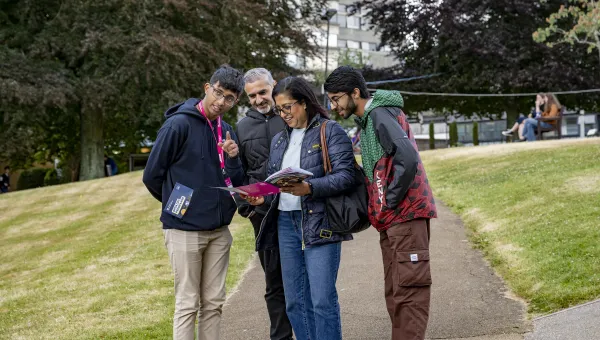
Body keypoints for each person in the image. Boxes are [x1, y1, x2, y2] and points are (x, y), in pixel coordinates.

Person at [324, 66, 437, 340]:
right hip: (393, 221)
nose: (333, 105)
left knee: (408, 293)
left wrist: (391, 201)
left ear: (355, 93)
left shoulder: (378, 114)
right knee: (397, 291)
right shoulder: (370, 121)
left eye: (336, 98)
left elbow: (407, 157)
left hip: (405, 217)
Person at [245, 76, 355, 340]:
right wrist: (263, 197)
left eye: (288, 107)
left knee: (321, 301)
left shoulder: (330, 131)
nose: (283, 114)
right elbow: (275, 184)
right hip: (286, 223)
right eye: (279, 109)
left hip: (320, 222)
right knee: (294, 301)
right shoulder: (279, 141)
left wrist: (310, 188)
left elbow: (346, 175)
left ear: (304, 103)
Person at [142, 65, 245, 340]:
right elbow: (152, 175)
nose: (221, 102)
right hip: (184, 230)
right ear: (207, 88)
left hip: (219, 231)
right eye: (218, 93)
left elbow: (236, 181)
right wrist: (179, 208)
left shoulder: (228, 130)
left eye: (230, 98)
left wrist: (234, 158)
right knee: (187, 305)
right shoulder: (179, 124)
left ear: (235, 102)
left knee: (213, 304)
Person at [234, 68, 293, 340]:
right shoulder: (242, 128)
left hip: (297, 207)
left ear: (274, 86)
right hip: (262, 214)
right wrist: (246, 208)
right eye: (252, 95)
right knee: (274, 282)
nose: (259, 99)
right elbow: (238, 171)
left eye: (262, 92)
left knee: (302, 279)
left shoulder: (290, 116)